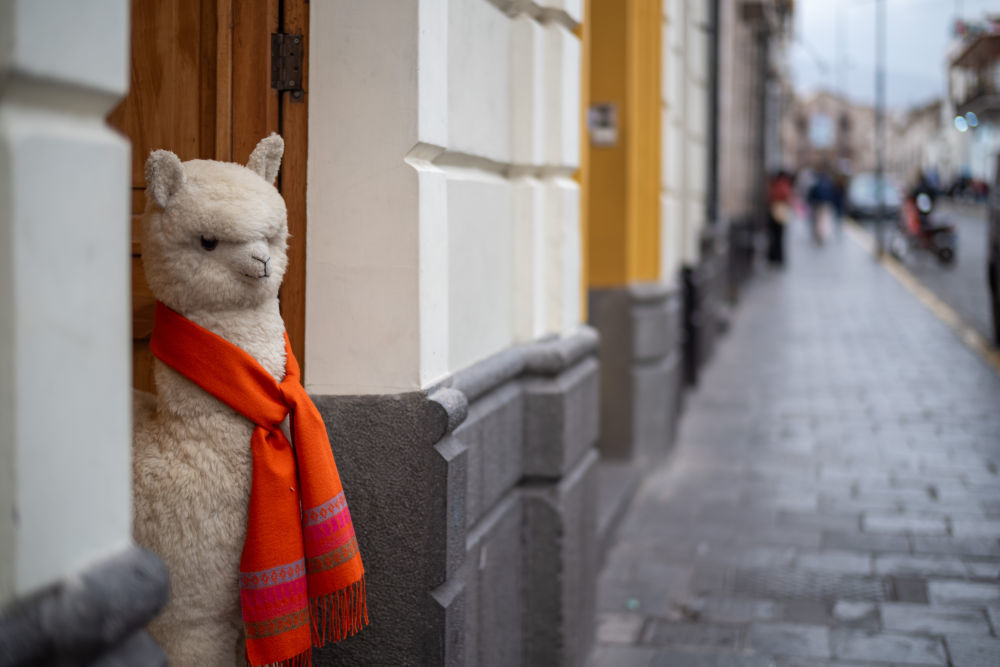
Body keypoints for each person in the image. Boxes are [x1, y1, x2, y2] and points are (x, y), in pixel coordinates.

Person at [767, 170, 793, 265]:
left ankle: (776, 256)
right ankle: (777, 256)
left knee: (777, 235)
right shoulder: (783, 184)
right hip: (780, 211)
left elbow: (773, 196)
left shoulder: (777, 184)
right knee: (779, 235)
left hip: (777, 210)